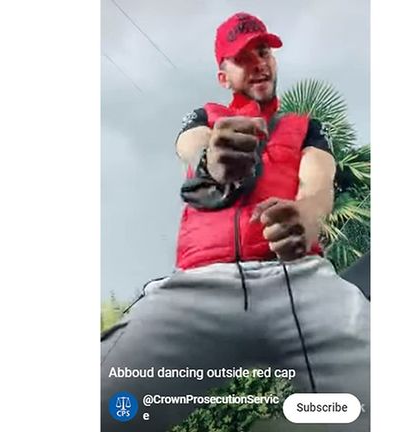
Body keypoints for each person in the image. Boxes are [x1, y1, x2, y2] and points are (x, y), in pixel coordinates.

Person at [101, 12, 370, 432]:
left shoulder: (307, 129)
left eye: (263, 51)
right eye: (242, 57)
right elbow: (191, 148)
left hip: (300, 279)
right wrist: (212, 160)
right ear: (223, 76)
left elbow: (319, 187)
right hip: (199, 285)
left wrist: (305, 218)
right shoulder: (203, 119)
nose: (259, 62)